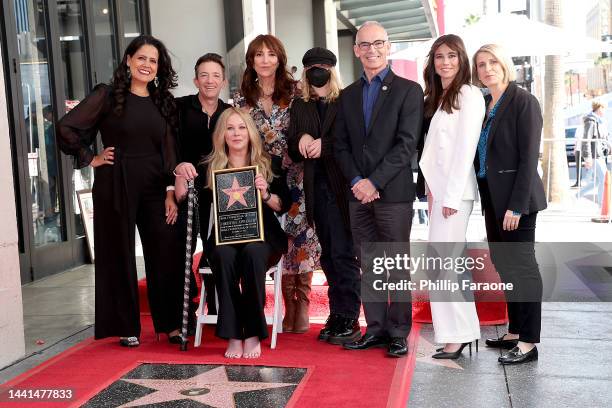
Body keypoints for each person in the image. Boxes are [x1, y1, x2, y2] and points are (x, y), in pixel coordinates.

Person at [56, 35, 183, 347]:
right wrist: (91, 158)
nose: (146, 65)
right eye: (141, 58)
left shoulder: (162, 101)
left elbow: (169, 151)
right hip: (116, 179)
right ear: (129, 60)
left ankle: (172, 323)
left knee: (165, 251)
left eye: (153, 61)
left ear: (158, 68)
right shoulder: (107, 95)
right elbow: (65, 127)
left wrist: (170, 190)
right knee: (118, 253)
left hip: (155, 185)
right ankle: (125, 325)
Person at [335, 21, 423, 357]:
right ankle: (374, 328)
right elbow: (340, 145)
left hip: (394, 194)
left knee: (397, 263)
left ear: (389, 47)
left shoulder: (409, 90)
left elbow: (406, 144)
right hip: (358, 195)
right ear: (356, 50)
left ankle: (398, 331)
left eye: (379, 43)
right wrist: (358, 182)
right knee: (369, 262)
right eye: (365, 44)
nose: (372, 50)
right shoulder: (347, 96)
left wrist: (375, 182)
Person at [234, 34, 321, 334]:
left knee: (300, 236)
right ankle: (286, 301)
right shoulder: (241, 97)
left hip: (297, 174)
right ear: (251, 61)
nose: (265, 60)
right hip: (260, 177)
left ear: (280, 58)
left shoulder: (297, 91)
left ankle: (303, 303)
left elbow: (309, 127)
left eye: (271, 54)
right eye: (259, 55)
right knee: (276, 237)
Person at [473, 44, 547, 365]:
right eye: (481, 65)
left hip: (518, 199)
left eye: (492, 62)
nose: (487, 69)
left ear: (504, 65)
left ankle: (529, 342)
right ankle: (515, 330)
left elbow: (529, 157)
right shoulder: (486, 104)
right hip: (492, 195)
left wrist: (516, 206)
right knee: (504, 265)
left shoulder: (523, 102)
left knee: (523, 268)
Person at [198, 107, 290, 358]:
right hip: (225, 236)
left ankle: (252, 332)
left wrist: (266, 194)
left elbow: (283, 206)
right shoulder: (211, 166)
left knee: (252, 253)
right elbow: (204, 212)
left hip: (263, 238)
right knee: (224, 256)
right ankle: (233, 334)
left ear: (250, 132)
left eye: (241, 127)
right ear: (222, 134)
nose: (236, 133)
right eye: (230, 128)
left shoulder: (269, 163)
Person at [287, 47, 361, 345]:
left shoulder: (345, 101)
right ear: (304, 71)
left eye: (323, 65)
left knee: (343, 254)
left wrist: (324, 145)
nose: (317, 70)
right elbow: (292, 145)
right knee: (328, 256)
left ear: (332, 69)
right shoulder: (301, 105)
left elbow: (353, 141)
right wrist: (300, 139)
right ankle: (337, 312)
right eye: (311, 66)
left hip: (341, 189)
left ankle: (350, 316)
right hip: (316, 191)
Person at [419, 34, 484, 359]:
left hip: (454, 195)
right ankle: (460, 332)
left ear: (462, 60)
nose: (445, 62)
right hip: (441, 193)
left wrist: (450, 197)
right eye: (439, 56)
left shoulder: (469, 94)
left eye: (452, 56)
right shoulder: (440, 95)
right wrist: (434, 193)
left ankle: (457, 336)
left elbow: (464, 150)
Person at [173, 53, 231, 323]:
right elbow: (166, 147)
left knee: (216, 250)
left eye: (215, 76)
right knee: (180, 251)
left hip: (219, 194)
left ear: (223, 81)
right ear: (196, 79)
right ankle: (184, 312)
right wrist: (175, 174)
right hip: (185, 189)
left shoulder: (228, 114)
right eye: (204, 75)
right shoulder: (179, 108)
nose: (210, 81)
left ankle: (219, 311)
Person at [579, 101, 609, 205]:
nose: (605, 110)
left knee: (597, 181)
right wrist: (587, 158)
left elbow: (604, 138)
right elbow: (586, 139)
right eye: (604, 108)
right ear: (599, 108)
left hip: (599, 154)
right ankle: (602, 206)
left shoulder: (599, 121)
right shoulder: (591, 121)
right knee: (604, 179)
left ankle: (576, 195)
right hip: (595, 155)